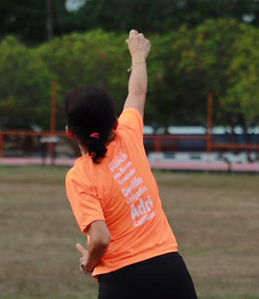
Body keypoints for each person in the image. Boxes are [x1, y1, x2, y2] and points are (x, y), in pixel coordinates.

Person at [64, 29, 198, 299]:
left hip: (122, 281)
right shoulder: (128, 135)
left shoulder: (80, 175)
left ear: (69, 132)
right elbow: (137, 91)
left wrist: (89, 263)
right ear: (114, 122)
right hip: (170, 270)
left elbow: (101, 238)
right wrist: (138, 56)